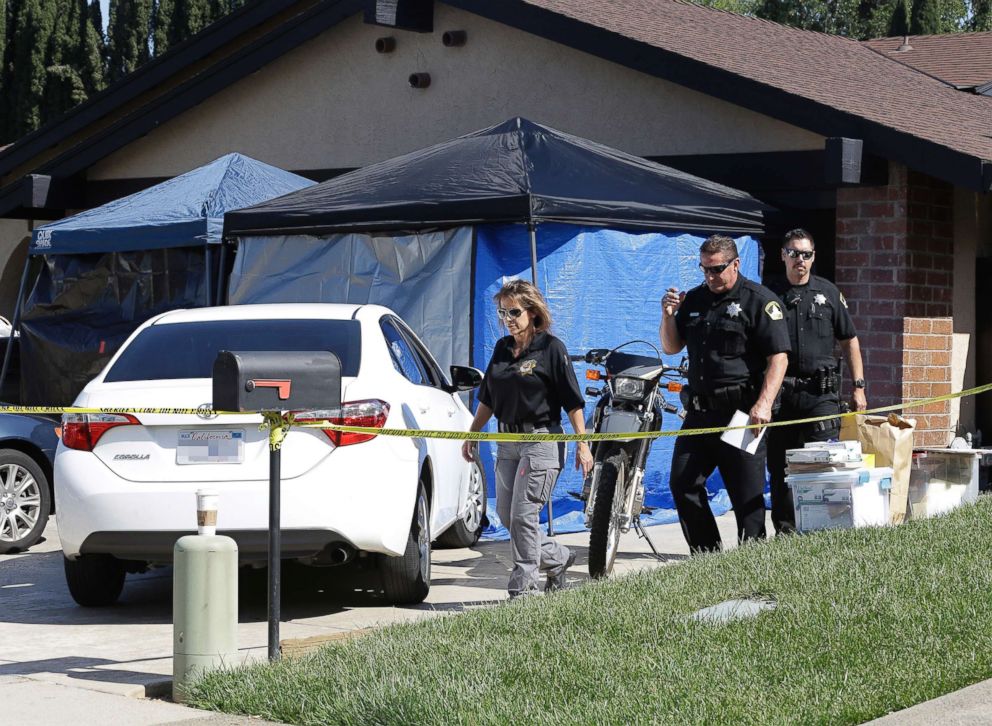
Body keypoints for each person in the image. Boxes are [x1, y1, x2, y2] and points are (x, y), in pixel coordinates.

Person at [462, 279, 594, 598]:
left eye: (514, 312)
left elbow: (573, 401)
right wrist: (472, 433)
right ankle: (559, 558)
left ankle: (524, 588)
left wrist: (582, 443)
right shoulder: (502, 349)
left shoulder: (551, 348)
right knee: (509, 517)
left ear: (532, 312)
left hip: (541, 441)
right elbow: (488, 398)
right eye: (502, 312)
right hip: (506, 442)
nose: (508, 319)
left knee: (524, 515)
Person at [660, 235, 790, 552]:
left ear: (735, 264)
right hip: (701, 413)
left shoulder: (759, 300)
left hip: (741, 413)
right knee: (683, 483)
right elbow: (671, 346)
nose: (710, 276)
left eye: (717, 269)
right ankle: (707, 557)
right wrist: (667, 316)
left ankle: (752, 562)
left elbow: (779, 357)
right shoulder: (694, 300)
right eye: (704, 269)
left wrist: (764, 404)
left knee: (746, 496)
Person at [765, 228, 868, 534]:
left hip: (820, 394)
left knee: (822, 464)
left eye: (806, 254)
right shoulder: (768, 294)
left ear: (813, 257)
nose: (801, 260)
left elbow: (850, 341)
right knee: (780, 466)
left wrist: (859, 387)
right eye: (794, 253)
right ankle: (786, 534)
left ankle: (822, 530)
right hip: (782, 395)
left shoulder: (829, 293)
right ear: (783, 255)